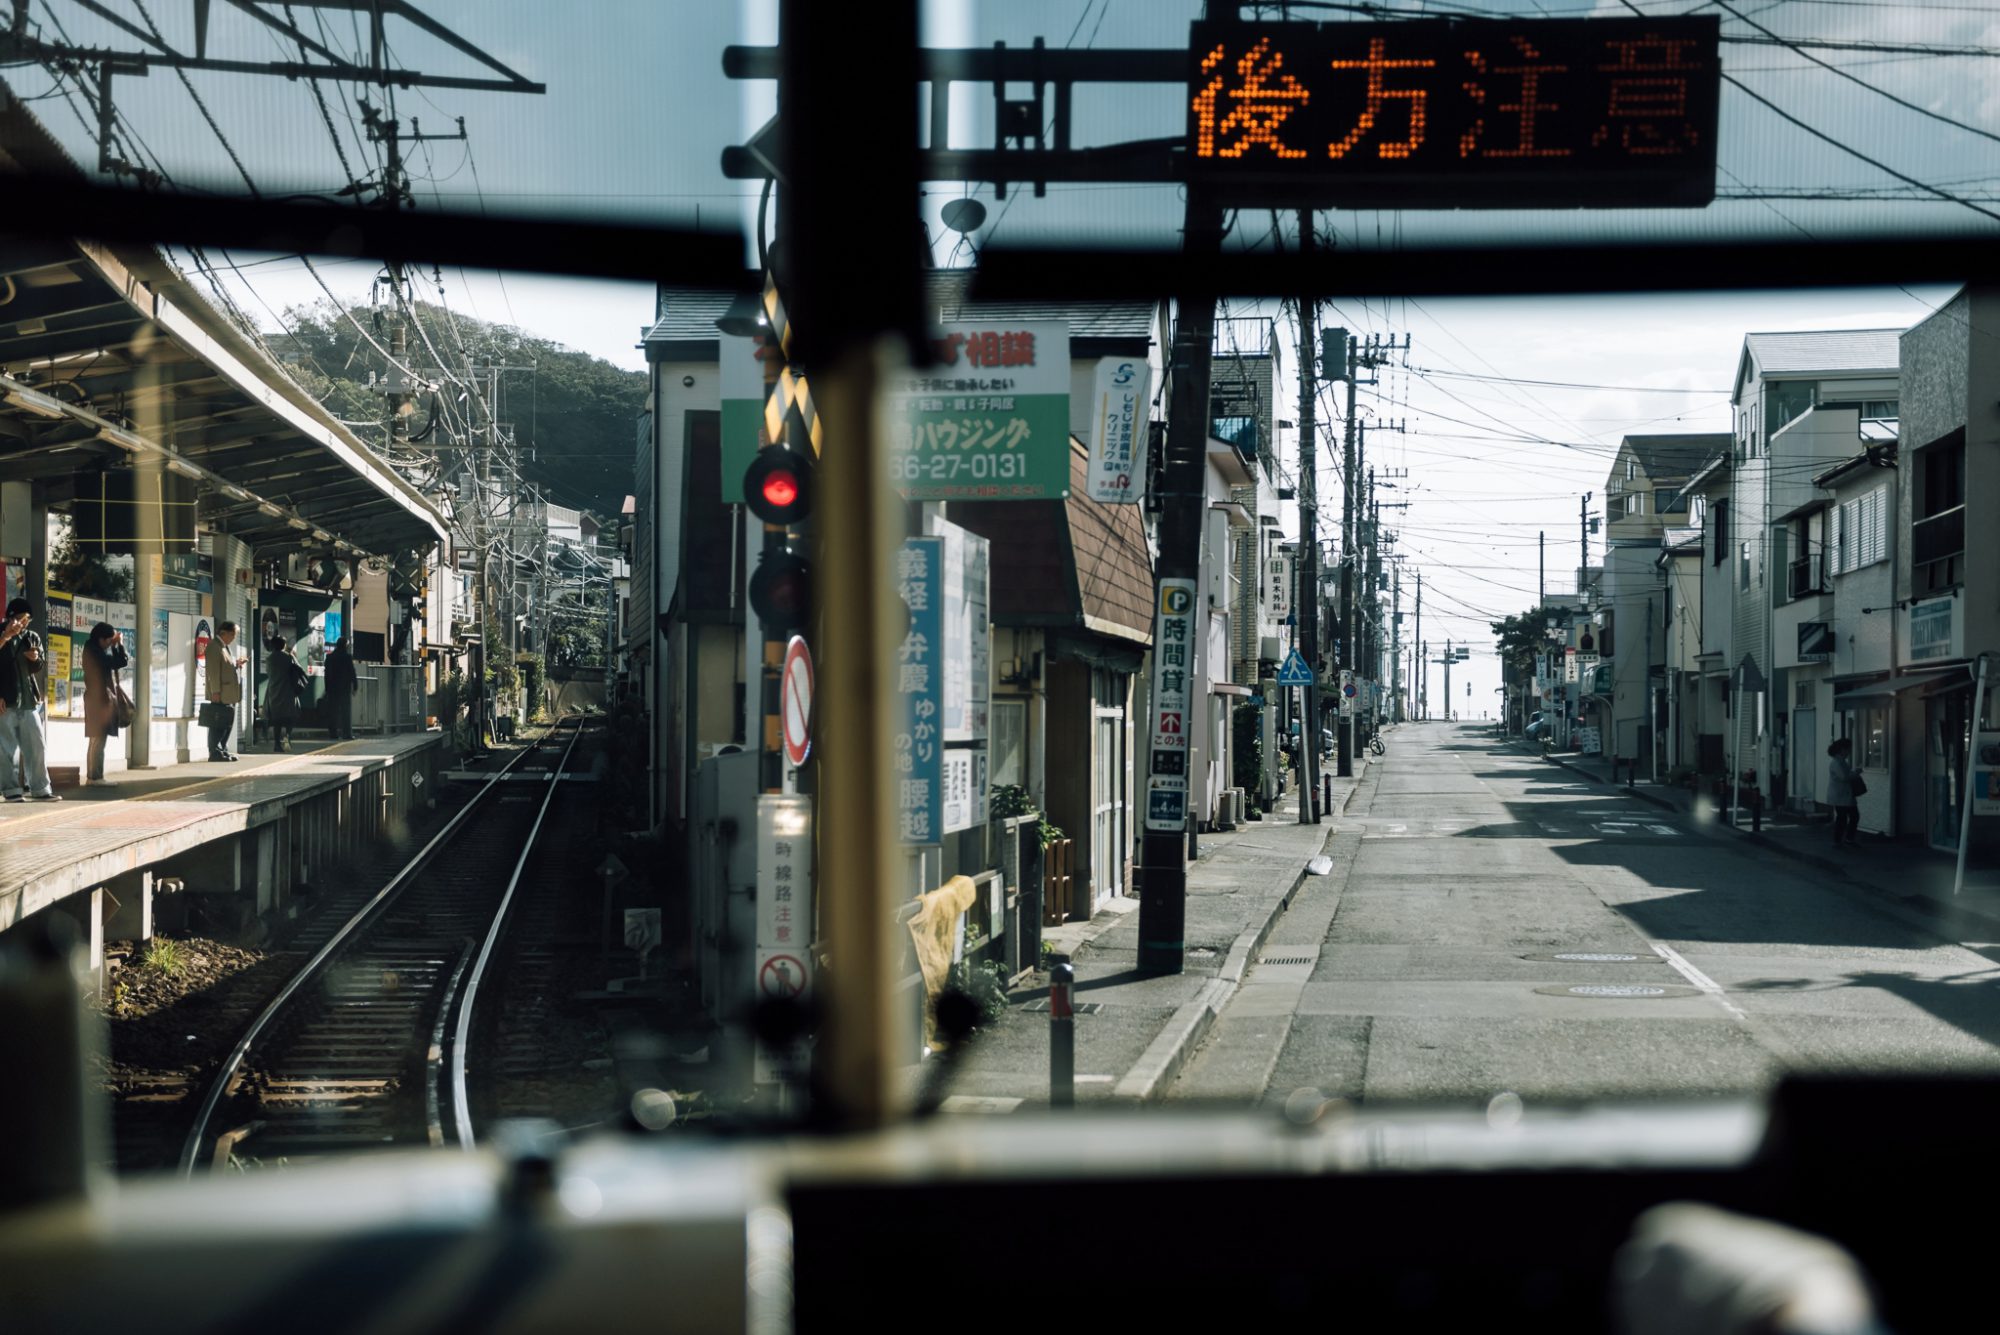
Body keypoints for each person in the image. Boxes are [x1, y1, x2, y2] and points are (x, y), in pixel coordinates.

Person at [0, 598, 59, 802]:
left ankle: (41, 789)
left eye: (26, 619)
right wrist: (6, 636)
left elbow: (39, 665)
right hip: (5, 701)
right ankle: (11, 791)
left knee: (37, 745)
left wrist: (35, 659)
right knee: (6, 748)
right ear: (9, 617)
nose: (23, 623)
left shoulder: (32, 637)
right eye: (19, 618)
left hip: (28, 699)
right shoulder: (2, 633)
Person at [80, 622, 129, 784]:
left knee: (96, 738)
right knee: (98, 738)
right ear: (101, 639)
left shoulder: (93, 649)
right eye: (109, 641)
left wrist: (115, 646)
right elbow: (120, 662)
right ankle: (95, 777)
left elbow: (117, 661)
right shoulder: (95, 653)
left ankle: (93, 776)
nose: (110, 643)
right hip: (98, 700)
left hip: (96, 699)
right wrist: (119, 645)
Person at [203, 620, 245, 761]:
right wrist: (215, 691)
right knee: (218, 724)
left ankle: (222, 749)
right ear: (224, 633)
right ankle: (214, 752)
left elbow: (225, 668)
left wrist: (237, 665)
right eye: (233, 634)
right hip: (220, 693)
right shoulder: (214, 647)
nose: (234, 637)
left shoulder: (224, 647)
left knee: (226, 723)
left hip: (228, 693)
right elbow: (213, 672)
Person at [264, 635, 309, 752]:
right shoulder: (289, 657)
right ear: (284, 645)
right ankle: (287, 736)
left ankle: (277, 744)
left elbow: (269, 673)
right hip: (288, 690)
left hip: (273, 690)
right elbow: (301, 670)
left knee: (276, 719)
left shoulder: (269, 658)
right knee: (291, 716)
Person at [1826, 737, 1862, 848]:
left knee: (1846, 817)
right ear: (1842, 750)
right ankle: (1843, 840)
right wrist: (1856, 773)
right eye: (1847, 749)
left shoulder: (1839, 761)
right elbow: (1844, 777)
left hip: (1842, 795)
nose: (1849, 752)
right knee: (1847, 817)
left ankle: (1843, 840)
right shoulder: (1837, 762)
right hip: (1840, 795)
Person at [324, 636, 358, 740]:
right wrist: (355, 685)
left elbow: (327, 674)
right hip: (344, 688)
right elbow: (352, 672)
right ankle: (346, 733)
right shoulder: (347, 657)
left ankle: (333, 733)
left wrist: (327, 688)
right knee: (345, 711)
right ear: (345, 645)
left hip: (332, 688)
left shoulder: (329, 657)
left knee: (333, 711)